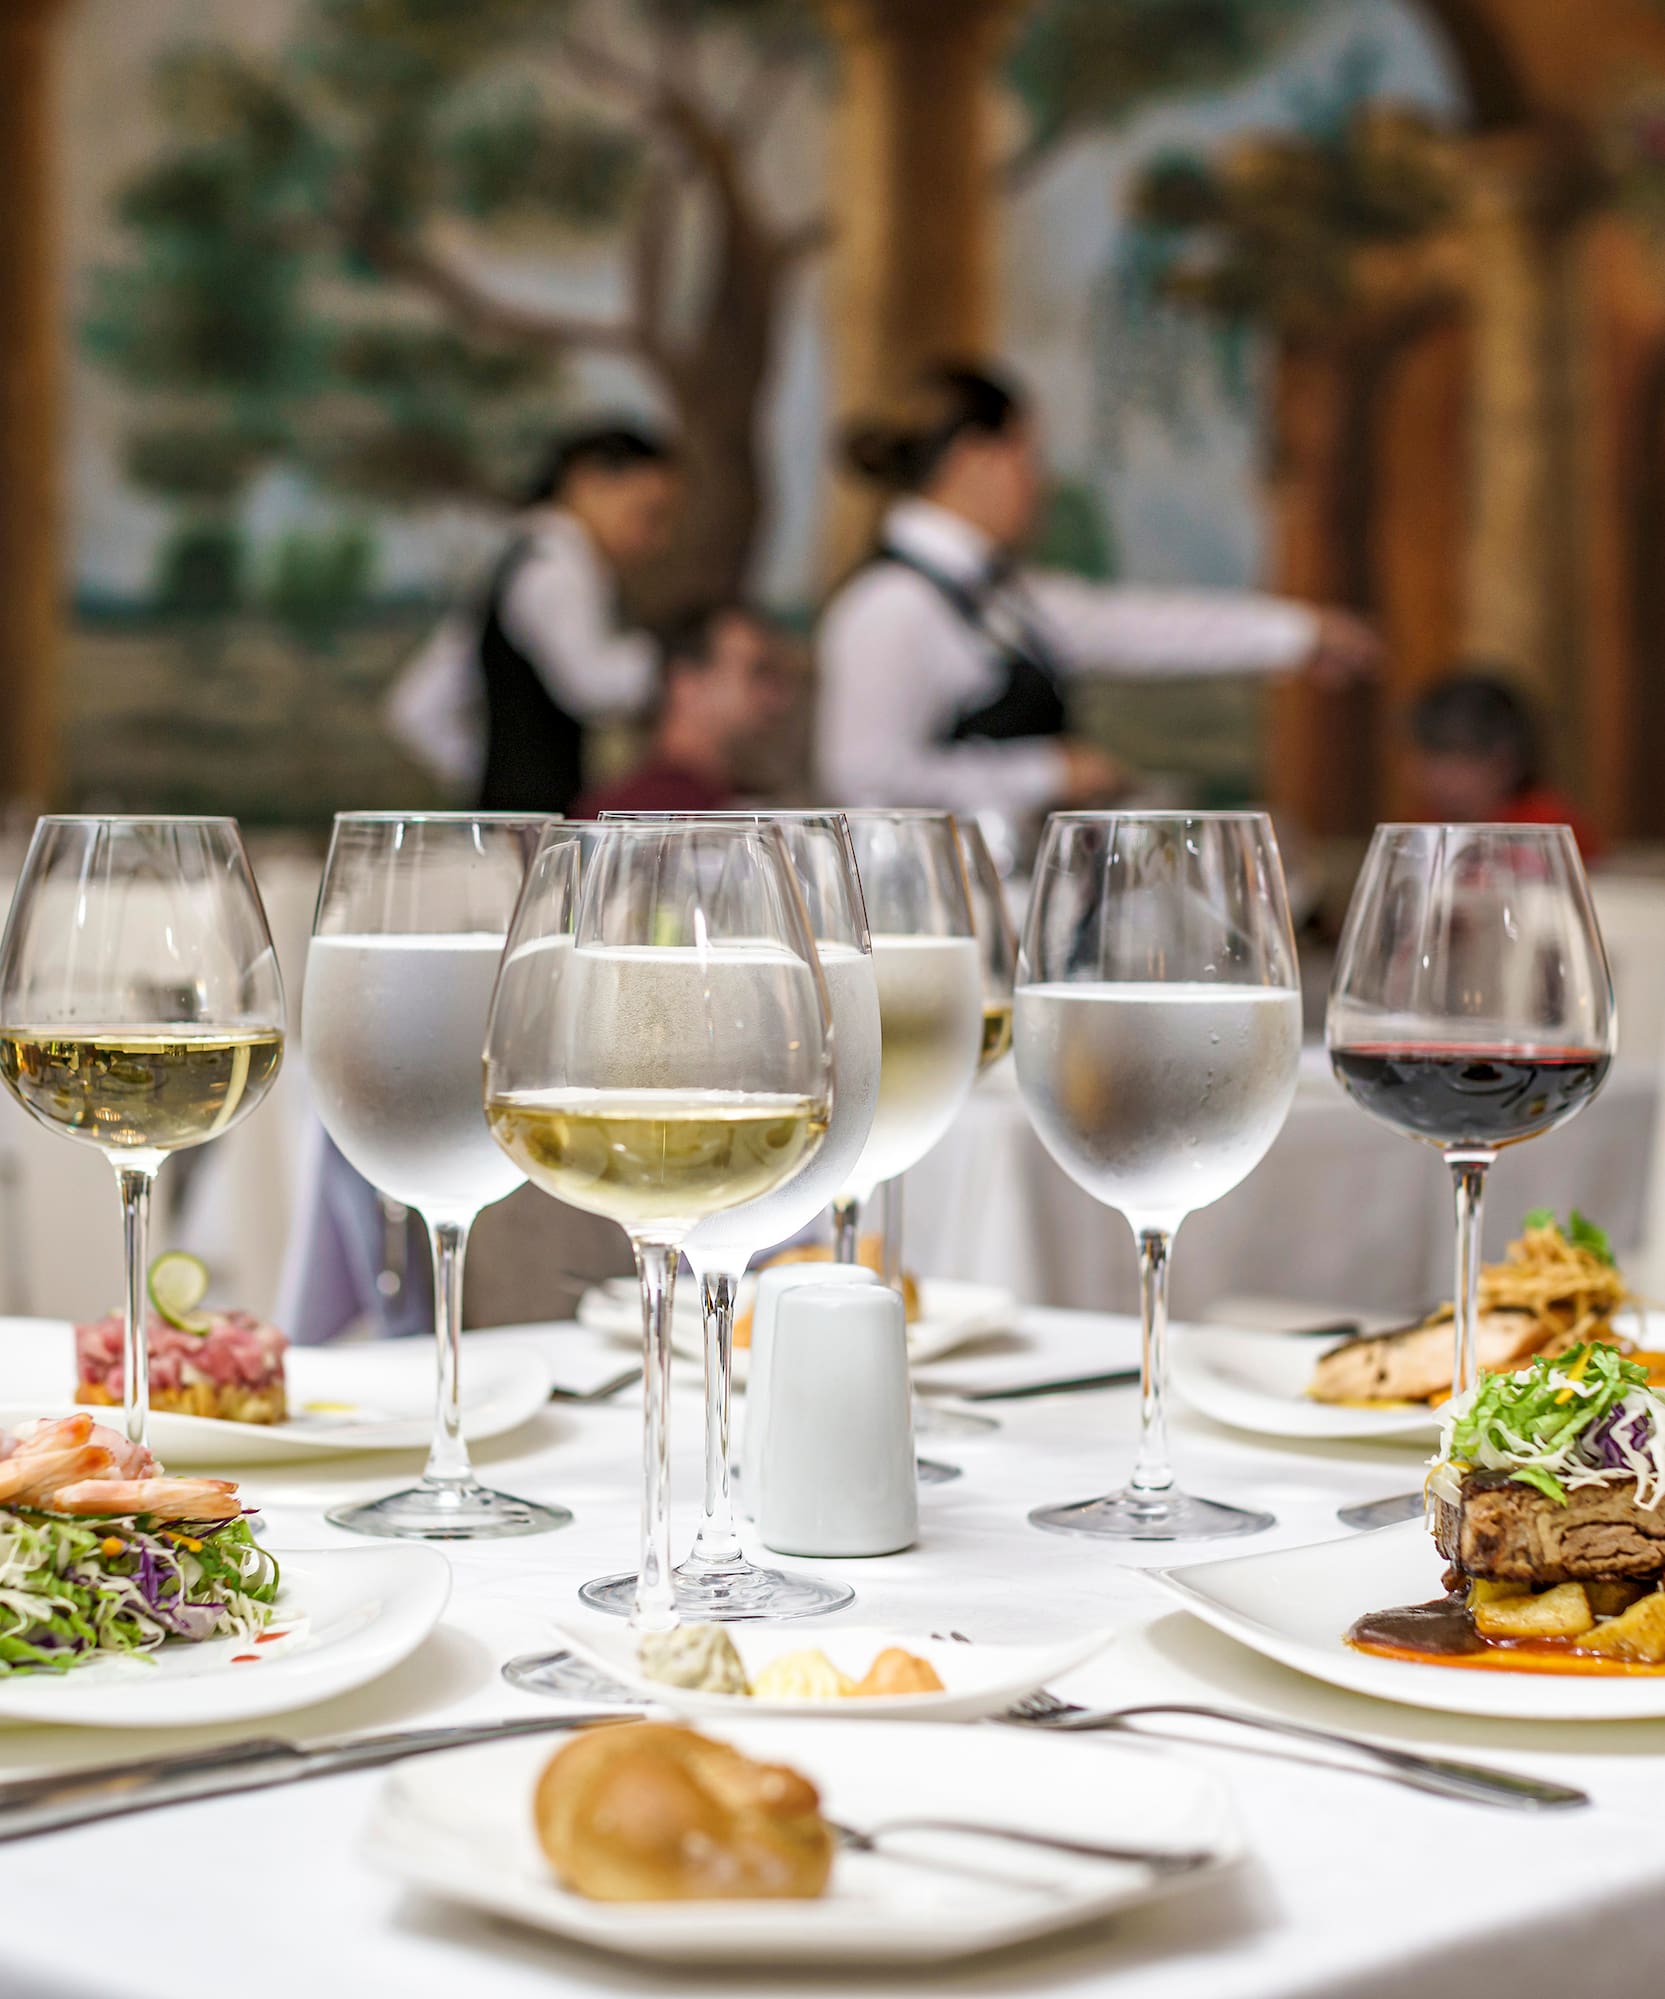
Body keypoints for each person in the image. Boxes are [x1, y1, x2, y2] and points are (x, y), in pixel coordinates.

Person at [816, 363, 1380, 820]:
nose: (1040, 481)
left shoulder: (1006, 595)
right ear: (974, 458)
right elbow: (864, 779)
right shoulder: (889, 605)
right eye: (1027, 456)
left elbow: (1137, 628)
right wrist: (1046, 773)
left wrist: (1301, 634)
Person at [386, 423, 681, 812]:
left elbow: (417, 707)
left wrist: (495, 781)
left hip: (520, 822)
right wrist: (681, 658)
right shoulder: (557, 568)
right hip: (542, 832)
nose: (657, 540)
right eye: (648, 515)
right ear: (586, 482)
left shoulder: (520, 557)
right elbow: (592, 685)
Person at [572, 603, 797, 817]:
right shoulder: (630, 815)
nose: (780, 698)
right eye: (758, 673)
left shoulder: (741, 801)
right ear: (685, 684)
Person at [1408, 669, 1604, 861]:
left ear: (1506, 763)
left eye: (1460, 761)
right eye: (1430, 760)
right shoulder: (1427, 825)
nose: (1439, 778)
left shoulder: (1546, 828)